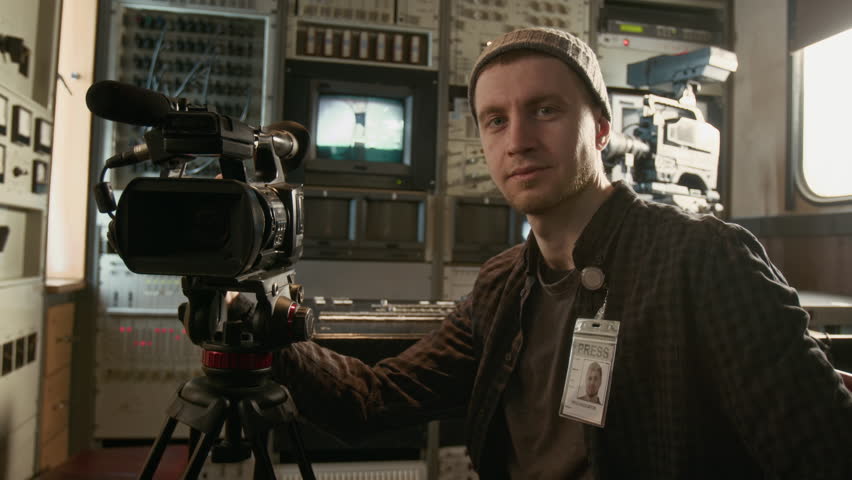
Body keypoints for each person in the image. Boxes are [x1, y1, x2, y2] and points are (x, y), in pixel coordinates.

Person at [271, 27, 852, 478]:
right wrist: (261, 322)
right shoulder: (501, 282)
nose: (518, 140)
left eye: (544, 110)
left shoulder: (704, 261)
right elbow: (377, 399)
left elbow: (823, 455)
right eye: (495, 121)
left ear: (601, 128)